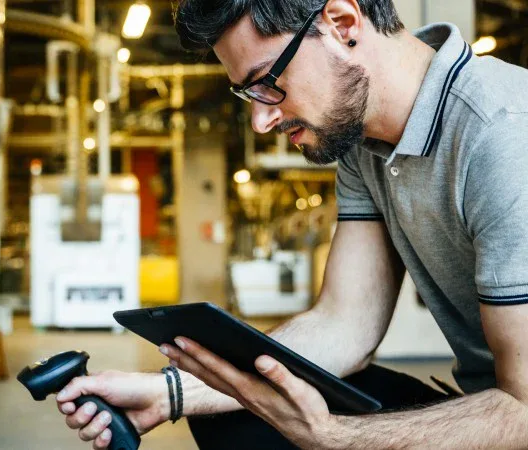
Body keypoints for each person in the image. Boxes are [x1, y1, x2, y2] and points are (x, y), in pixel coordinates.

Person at [54, 0, 528, 448]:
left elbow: (522, 409)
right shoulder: (362, 144)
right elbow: (345, 326)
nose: (260, 120)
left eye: (268, 81)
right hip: (493, 407)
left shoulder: (503, 133)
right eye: (248, 93)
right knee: (239, 413)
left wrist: (335, 439)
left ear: (342, 24)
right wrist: (168, 392)